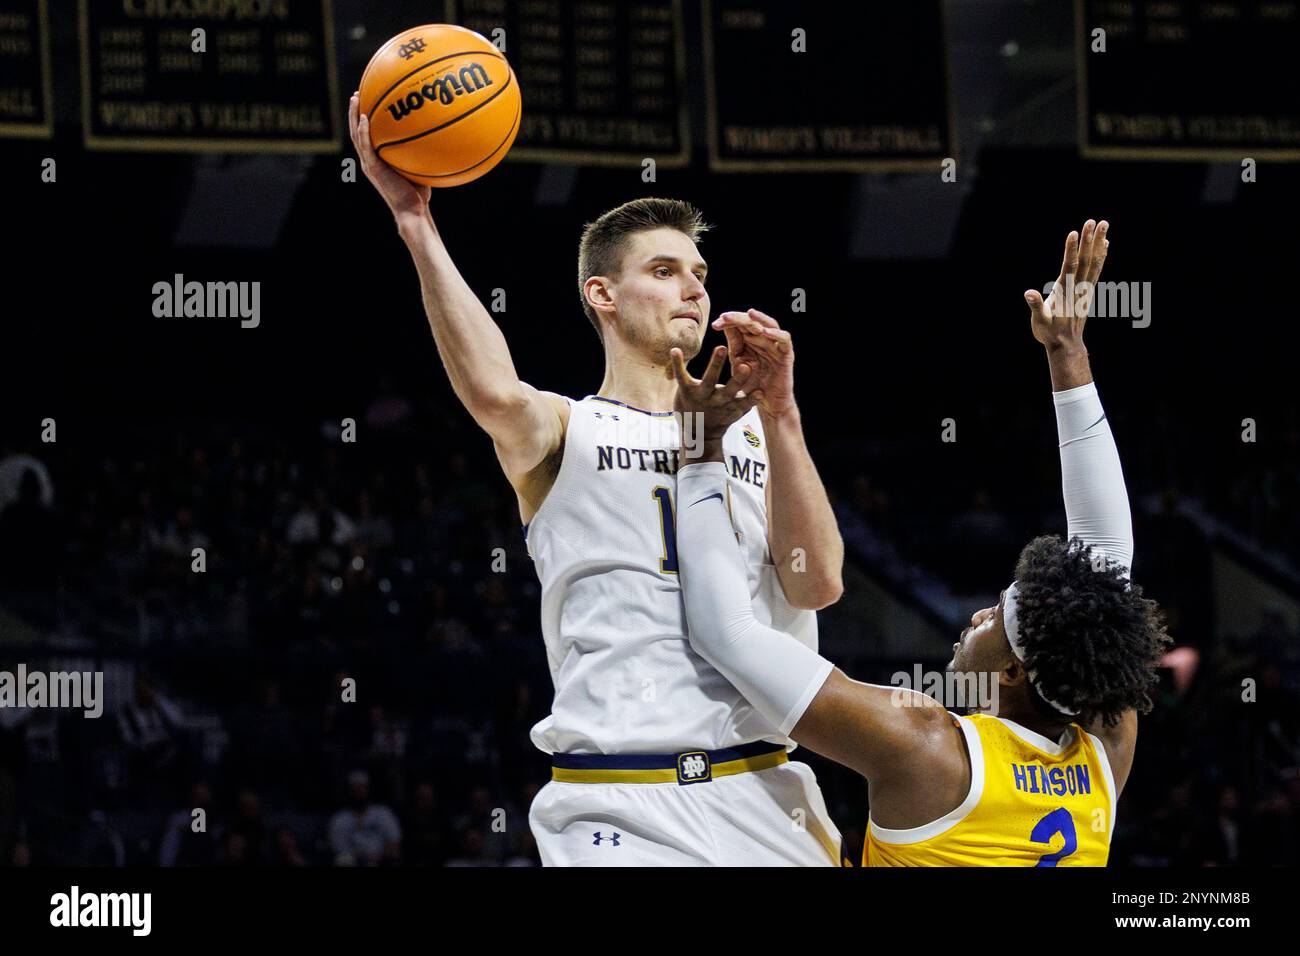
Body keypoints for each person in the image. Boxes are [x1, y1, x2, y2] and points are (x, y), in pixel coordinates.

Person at [349, 93, 845, 865]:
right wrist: (416, 224)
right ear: (602, 295)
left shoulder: (749, 432)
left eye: (700, 273)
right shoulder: (567, 429)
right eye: (664, 270)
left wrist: (782, 413)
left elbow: (815, 587)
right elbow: (491, 391)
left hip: (764, 789)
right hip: (619, 800)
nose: (694, 288)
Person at [672, 220, 1171, 865]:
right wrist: (1066, 354)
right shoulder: (1104, 755)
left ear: (1014, 672)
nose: (978, 616)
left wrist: (703, 451)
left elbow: (727, 635)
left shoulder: (928, 748)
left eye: (996, 615)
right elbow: (1107, 572)